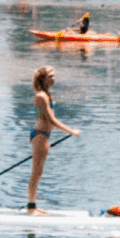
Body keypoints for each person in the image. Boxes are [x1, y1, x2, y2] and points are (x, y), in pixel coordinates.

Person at [27, 67, 80, 215]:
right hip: (39, 135)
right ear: (43, 78)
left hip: (45, 135)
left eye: (54, 75)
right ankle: (31, 208)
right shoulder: (41, 96)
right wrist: (71, 131)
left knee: (39, 171)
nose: (53, 78)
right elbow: (52, 120)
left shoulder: (47, 95)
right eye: (50, 76)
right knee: (36, 172)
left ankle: (33, 205)